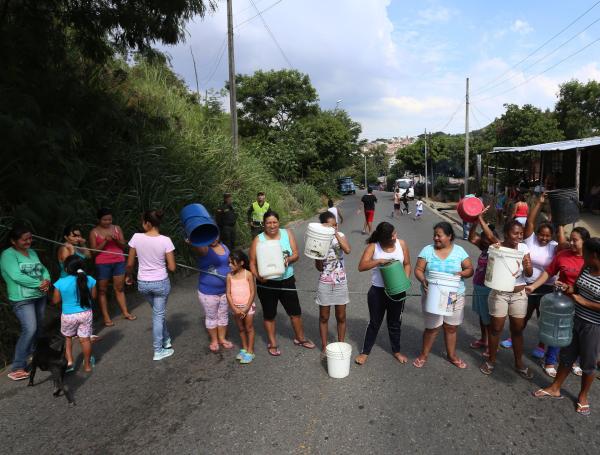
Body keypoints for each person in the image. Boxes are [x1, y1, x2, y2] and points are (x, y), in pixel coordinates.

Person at [532, 237, 600, 416]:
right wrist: (568, 289)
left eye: (585, 253)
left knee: (588, 363)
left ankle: (583, 396)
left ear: (594, 255)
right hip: (574, 318)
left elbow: (586, 300)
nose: (582, 256)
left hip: (593, 327)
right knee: (567, 356)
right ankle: (555, 387)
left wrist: (582, 301)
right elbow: (576, 289)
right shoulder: (587, 268)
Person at [525, 226, 590, 377]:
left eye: (575, 240)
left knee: (578, 334)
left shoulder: (591, 258)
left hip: (584, 303)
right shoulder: (563, 255)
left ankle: (574, 361)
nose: (571, 243)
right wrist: (533, 286)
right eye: (570, 240)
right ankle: (550, 361)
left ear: (585, 242)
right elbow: (549, 272)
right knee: (558, 331)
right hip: (563, 303)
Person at [249, 210, 315, 356]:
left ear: (278, 223)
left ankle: (300, 338)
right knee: (269, 314)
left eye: (274, 222)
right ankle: (272, 343)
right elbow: (252, 263)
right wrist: (258, 277)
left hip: (287, 280)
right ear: (264, 224)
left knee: (295, 312)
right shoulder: (258, 240)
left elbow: (296, 254)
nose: (272, 225)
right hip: (266, 283)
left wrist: (288, 259)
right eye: (268, 223)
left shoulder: (287, 234)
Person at [413, 222, 473, 369]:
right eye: (434, 235)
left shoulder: (459, 251)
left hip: (453, 294)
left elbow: (470, 269)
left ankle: (451, 355)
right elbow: (418, 269)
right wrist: (423, 280)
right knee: (432, 328)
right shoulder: (427, 251)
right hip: (432, 294)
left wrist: (462, 273)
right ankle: (424, 355)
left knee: (451, 327)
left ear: (449, 236)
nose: (435, 238)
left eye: (439, 235)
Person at [479, 220, 534, 379]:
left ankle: (519, 364)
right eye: (515, 233)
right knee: (496, 328)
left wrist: (527, 264)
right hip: (500, 294)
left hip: (519, 295)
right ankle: (491, 360)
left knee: (517, 330)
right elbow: (489, 236)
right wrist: (480, 218)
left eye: (521, 234)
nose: (519, 236)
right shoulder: (498, 247)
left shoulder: (524, 248)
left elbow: (529, 274)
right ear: (506, 234)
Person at [355, 222, 411, 365]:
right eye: (393, 235)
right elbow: (361, 267)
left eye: (395, 233)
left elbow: (407, 264)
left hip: (397, 291)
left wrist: (404, 280)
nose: (396, 236)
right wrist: (378, 260)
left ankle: (396, 351)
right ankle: (365, 352)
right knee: (374, 322)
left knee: (395, 323)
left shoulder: (402, 244)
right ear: (385, 238)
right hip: (377, 292)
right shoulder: (374, 247)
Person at [1, 225, 51, 381]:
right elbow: (16, 275)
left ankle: (35, 356)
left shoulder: (32, 252)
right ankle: (17, 367)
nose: (29, 241)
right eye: (25, 239)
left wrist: (47, 280)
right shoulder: (8, 255)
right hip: (21, 298)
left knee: (39, 327)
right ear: (14, 241)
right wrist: (38, 284)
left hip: (39, 296)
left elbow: (42, 269)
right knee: (30, 328)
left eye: (30, 238)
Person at [126, 210, 176, 361]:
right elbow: (172, 267)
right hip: (160, 282)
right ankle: (158, 350)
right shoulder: (166, 240)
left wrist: (128, 276)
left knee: (157, 313)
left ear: (147, 223)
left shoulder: (136, 237)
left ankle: (166, 340)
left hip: (143, 284)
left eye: (143, 222)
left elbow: (129, 263)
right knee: (158, 315)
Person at [519, 193, 558, 360]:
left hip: (546, 288)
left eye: (548, 236)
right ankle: (514, 337)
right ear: (537, 233)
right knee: (523, 315)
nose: (544, 238)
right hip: (526, 284)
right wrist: (539, 203)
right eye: (542, 234)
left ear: (552, 236)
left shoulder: (555, 246)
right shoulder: (530, 240)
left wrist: (558, 214)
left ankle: (542, 345)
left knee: (543, 319)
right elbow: (529, 222)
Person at [89, 208, 135, 327]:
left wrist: (115, 239)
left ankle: (125, 312)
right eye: (105, 220)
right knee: (102, 290)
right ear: (99, 220)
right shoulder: (94, 232)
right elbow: (93, 252)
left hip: (118, 260)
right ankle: (106, 317)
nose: (108, 221)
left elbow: (124, 246)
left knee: (119, 288)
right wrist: (104, 241)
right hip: (102, 263)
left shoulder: (117, 228)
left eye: (109, 219)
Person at [315, 211, 351, 353]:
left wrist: (335, 233)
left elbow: (347, 250)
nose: (334, 227)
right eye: (331, 226)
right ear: (323, 226)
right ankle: (324, 346)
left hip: (340, 281)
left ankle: (341, 344)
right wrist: (318, 255)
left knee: (341, 316)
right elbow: (319, 267)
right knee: (324, 316)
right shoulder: (318, 240)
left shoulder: (340, 236)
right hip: (325, 281)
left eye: (335, 225)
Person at [53, 255, 96, 372]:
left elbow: (55, 300)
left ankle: (70, 362)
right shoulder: (90, 279)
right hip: (85, 313)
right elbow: (94, 296)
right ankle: (87, 365)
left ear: (66, 269)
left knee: (68, 338)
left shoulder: (60, 282)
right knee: (85, 339)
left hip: (68, 315)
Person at [468, 208, 500, 358]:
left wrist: (480, 217)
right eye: (484, 239)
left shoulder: (498, 248)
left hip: (490, 289)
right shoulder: (484, 248)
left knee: (489, 319)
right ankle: (483, 339)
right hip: (478, 286)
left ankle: (492, 344)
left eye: (487, 238)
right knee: (482, 316)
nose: (485, 240)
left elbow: (490, 236)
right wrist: (475, 222)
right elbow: (471, 237)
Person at [193, 235, 233, 353]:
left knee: (223, 315)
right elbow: (198, 247)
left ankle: (222, 338)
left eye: (215, 234)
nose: (213, 238)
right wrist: (194, 240)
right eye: (209, 236)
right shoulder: (204, 248)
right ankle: (214, 340)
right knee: (212, 317)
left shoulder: (224, 246)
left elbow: (230, 263)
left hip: (225, 290)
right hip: (208, 292)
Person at [226, 250, 256, 364]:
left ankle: (250, 351)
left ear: (241, 263)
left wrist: (246, 308)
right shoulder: (229, 276)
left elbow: (252, 292)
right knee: (241, 328)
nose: (230, 265)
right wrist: (234, 308)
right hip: (236, 308)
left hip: (247, 308)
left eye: (232, 263)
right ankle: (244, 348)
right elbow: (228, 293)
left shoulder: (247, 274)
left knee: (249, 328)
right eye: (229, 263)